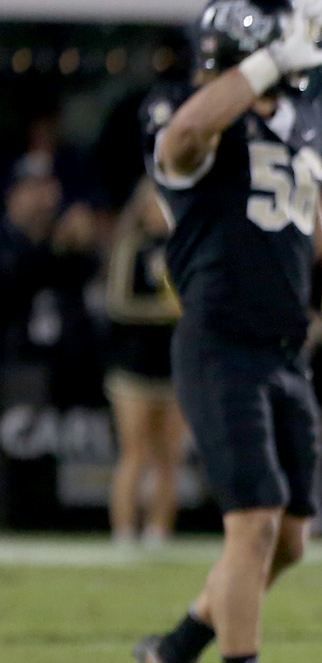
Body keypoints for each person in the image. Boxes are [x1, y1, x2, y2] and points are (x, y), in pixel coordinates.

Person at [130, 0, 322, 663]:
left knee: (292, 539)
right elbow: (182, 138)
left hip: (285, 352)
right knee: (256, 523)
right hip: (219, 343)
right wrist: (266, 63)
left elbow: (318, 226)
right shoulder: (190, 113)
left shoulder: (300, 121)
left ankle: (172, 652)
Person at [102, 93, 186, 547]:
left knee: (169, 455)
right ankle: (123, 531)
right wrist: (166, 312)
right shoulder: (131, 247)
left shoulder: (183, 250)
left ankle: (159, 531)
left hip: (172, 364)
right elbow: (118, 302)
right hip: (134, 364)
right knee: (133, 452)